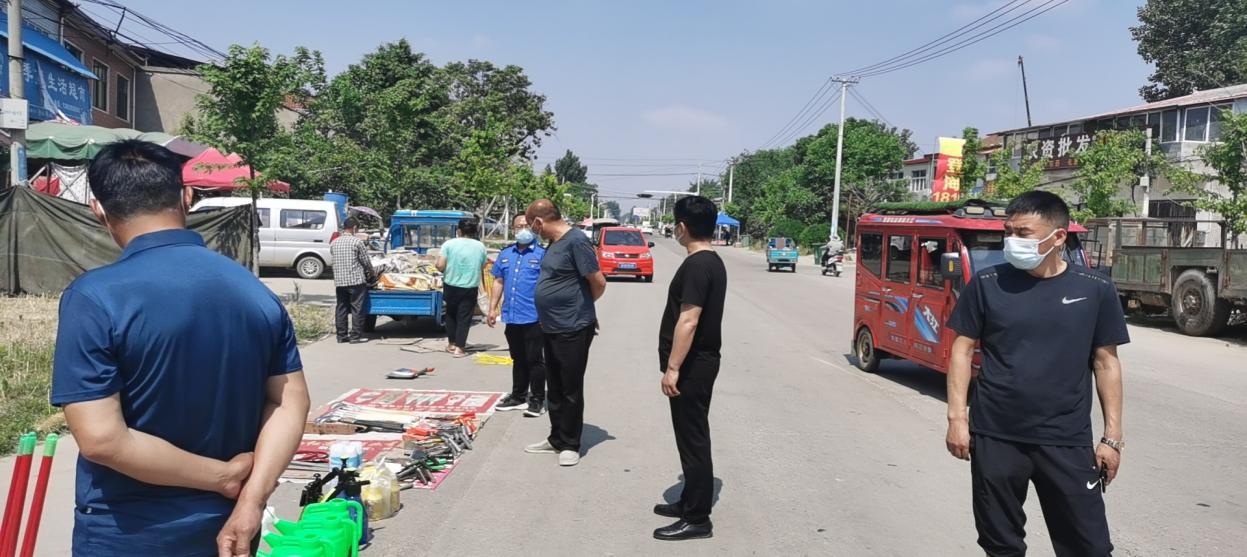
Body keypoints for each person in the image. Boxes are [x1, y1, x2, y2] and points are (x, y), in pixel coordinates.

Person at [50, 140, 310, 557]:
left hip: (129, 533)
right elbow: (288, 403)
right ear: (187, 197)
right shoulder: (254, 292)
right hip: (230, 529)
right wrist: (250, 500)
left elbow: (101, 439)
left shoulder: (95, 298)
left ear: (98, 209)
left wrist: (222, 477)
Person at [945, 191, 1127, 557]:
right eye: (1008, 231)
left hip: (1065, 438)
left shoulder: (1095, 290)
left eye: (1023, 232)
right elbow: (961, 350)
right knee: (1001, 544)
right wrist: (957, 418)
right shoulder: (987, 283)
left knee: (1089, 547)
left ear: (1058, 236)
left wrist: (1112, 438)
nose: (1011, 240)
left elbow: (1106, 363)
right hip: (996, 435)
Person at [653, 196, 728, 541]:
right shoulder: (710, 261)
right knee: (690, 435)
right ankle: (689, 500)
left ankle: (698, 518)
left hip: (693, 366)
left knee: (693, 439)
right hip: (698, 363)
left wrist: (672, 368)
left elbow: (689, 319)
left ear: (682, 227)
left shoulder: (698, 265)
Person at [523, 199, 607, 467]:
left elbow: (598, 282)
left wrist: (579, 308)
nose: (532, 231)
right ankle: (556, 437)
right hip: (550, 325)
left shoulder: (576, 241)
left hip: (572, 326)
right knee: (555, 386)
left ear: (539, 221)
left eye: (531, 225)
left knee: (570, 386)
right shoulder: (555, 244)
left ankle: (571, 443)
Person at [487, 214, 548, 417]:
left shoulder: (542, 255)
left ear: (533, 227)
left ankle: (537, 399)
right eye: (517, 226)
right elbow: (498, 282)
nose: (521, 229)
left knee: (534, 359)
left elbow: (548, 286)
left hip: (534, 316)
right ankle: (518, 396)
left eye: (525, 225)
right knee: (518, 358)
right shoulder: (506, 254)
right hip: (511, 316)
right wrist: (492, 308)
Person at [436, 218, 488, 357]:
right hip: (470, 286)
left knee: (450, 314)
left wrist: (441, 268)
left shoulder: (449, 244)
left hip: (450, 284)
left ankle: (452, 344)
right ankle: (460, 348)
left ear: (459, 230)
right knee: (464, 317)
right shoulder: (480, 246)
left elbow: (440, 265)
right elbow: (482, 266)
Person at [330, 217, 376, 343]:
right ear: (355, 228)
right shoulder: (357, 242)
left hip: (340, 281)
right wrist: (371, 273)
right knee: (357, 308)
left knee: (341, 308)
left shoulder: (334, 242)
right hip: (355, 281)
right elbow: (366, 261)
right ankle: (355, 336)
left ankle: (341, 336)